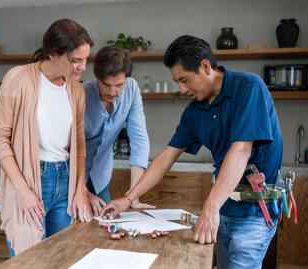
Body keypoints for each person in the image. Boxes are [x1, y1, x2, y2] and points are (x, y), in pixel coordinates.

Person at [101, 35, 283, 269]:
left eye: (184, 80)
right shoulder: (194, 112)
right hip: (224, 206)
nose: (182, 89)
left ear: (205, 66)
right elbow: (166, 156)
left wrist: (210, 207)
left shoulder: (248, 87)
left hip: (254, 213)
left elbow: (240, 151)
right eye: (177, 82)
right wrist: (128, 199)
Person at [0, 18, 94, 256]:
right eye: (75, 60)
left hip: (65, 180)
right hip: (32, 180)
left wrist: (79, 189)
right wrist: (22, 190)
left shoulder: (76, 89)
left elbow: (79, 143)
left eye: (85, 59)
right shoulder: (18, 78)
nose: (82, 67)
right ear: (53, 54)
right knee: (30, 259)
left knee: (61, 257)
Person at [82, 46, 154, 216]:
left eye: (119, 85)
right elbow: (67, 151)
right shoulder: (81, 94)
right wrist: (82, 192)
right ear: (97, 77)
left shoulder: (131, 89)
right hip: (71, 179)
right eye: (107, 85)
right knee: (74, 234)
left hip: (100, 177)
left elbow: (139, 140)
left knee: (106, 227)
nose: (114, 92)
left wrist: (133, 195)